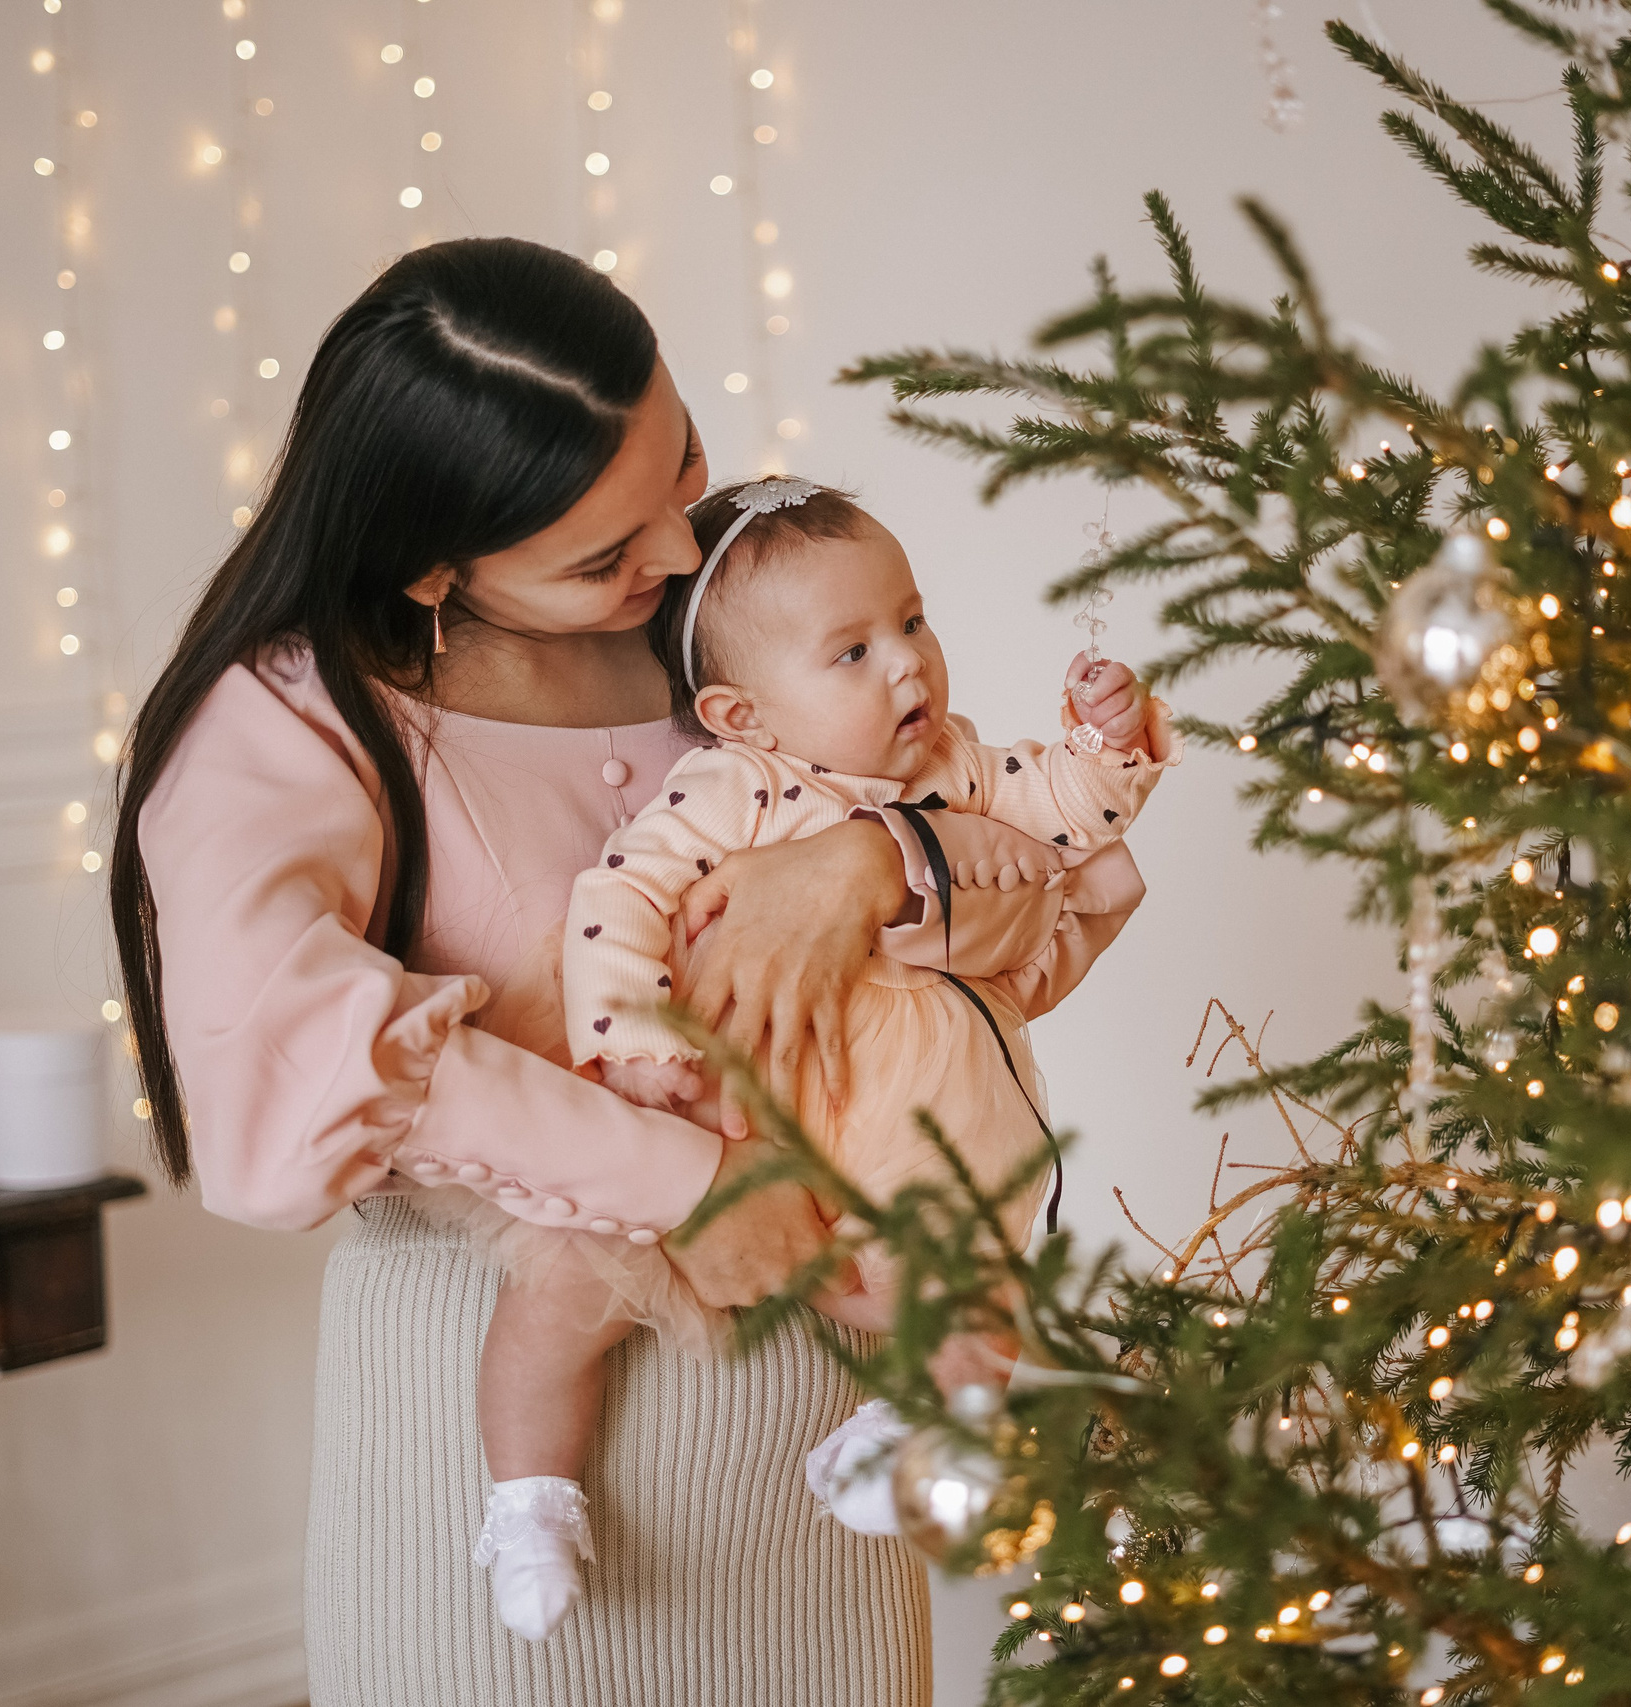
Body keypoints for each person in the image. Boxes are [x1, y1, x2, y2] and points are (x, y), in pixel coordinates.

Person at [108, 237, 1145, 1706]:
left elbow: (1013, 944)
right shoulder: (294, 724)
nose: (674, 551)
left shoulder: (725, 625)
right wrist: (690, 1183)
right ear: (431, 561)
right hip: (517, 1431)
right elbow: (282, 1062)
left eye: (683, 469)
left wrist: (872, 865)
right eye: (605, 552)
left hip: (816, 1441)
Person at [439, 477, 1173, 1638]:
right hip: (752, 1130)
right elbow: (617, 899)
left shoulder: (959, 771)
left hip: (918, 1126)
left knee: (970, 1286)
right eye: (853, 651)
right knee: (565, 1287)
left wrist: (1108, 739)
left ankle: (931, 1427)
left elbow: (1069, 815)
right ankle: (530, 1497)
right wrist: (626, 1043)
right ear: (739, 714)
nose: (908, 669)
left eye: (914, 623)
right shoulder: (732, 789)